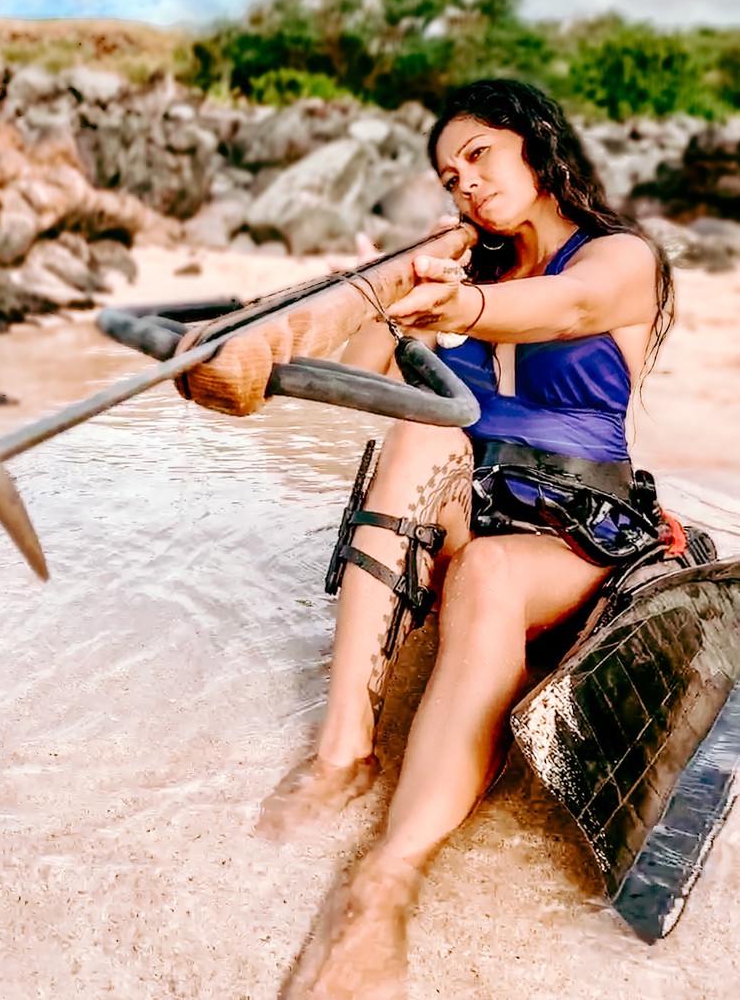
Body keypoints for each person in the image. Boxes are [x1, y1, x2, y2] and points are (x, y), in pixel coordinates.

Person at [255, 79, 675, 1000]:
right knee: (424, 424)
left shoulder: (621, 260)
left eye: (480, 155)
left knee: (487, 570)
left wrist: (463, 313)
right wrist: (382, 293)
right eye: (450, 176)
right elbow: (357, 375)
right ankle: (343, 750)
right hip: (462, 497)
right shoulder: (461, 272)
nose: (466, 186)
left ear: (537, 145)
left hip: (570, 526)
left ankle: (386, 881)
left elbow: (565, 310)